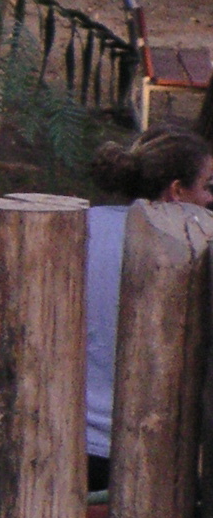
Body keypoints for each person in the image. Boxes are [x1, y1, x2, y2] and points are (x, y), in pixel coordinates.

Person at [85, 124, 213, 484]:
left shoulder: (82, 225)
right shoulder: (196, 243)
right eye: (206, 187)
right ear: (176, 191)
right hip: (152, 443)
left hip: (68, 432)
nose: (209, 200)